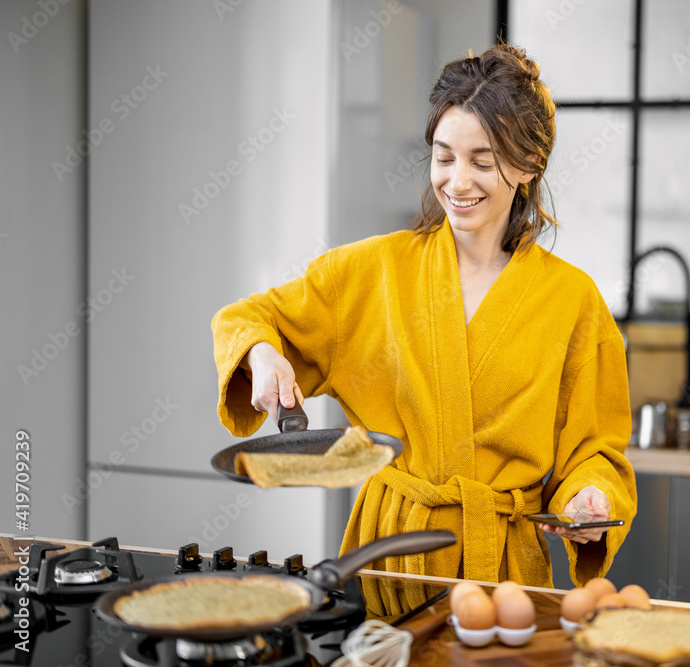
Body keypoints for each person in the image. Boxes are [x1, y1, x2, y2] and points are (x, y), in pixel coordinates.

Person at [212, 43, 637, 589]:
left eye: (482, 162)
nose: (458, 182)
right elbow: (246, 318)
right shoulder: (374, 271)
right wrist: (264, 352)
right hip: (389, 557)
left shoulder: (574, 301)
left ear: (529, 165)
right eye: (444, 157)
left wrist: (590, 495)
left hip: (506, 574)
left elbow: (596, 448)